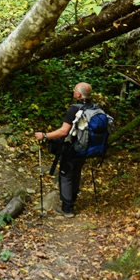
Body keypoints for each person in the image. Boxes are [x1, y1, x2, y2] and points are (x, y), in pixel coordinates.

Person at [34, 82, 93, 218]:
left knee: (65, 175)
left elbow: (63, 131)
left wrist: (45, 136)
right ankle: (72, 200)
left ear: (78, 94)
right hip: (85, 148)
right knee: (76, 173)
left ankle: (67, 209)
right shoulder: (93, 108)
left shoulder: (74, 109)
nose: (73, 92)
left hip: (72, 148)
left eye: (74, 90)